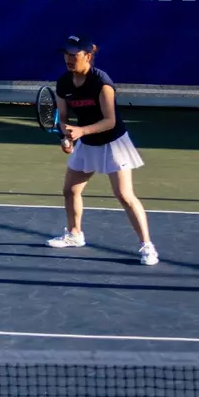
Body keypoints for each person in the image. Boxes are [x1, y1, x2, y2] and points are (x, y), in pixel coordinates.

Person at [46, 35, 158, 266]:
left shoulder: (101, 82)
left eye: (74, 54)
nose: (68, 58)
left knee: (124, 195)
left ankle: (147, 245)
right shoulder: (64, 83)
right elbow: (63, 118)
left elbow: (110, 121)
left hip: (113, 142)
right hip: (86, 141)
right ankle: (75, 234)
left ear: (87, 56)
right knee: (70, 190)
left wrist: (81, 131)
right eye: (66, 54)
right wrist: (67, 137)